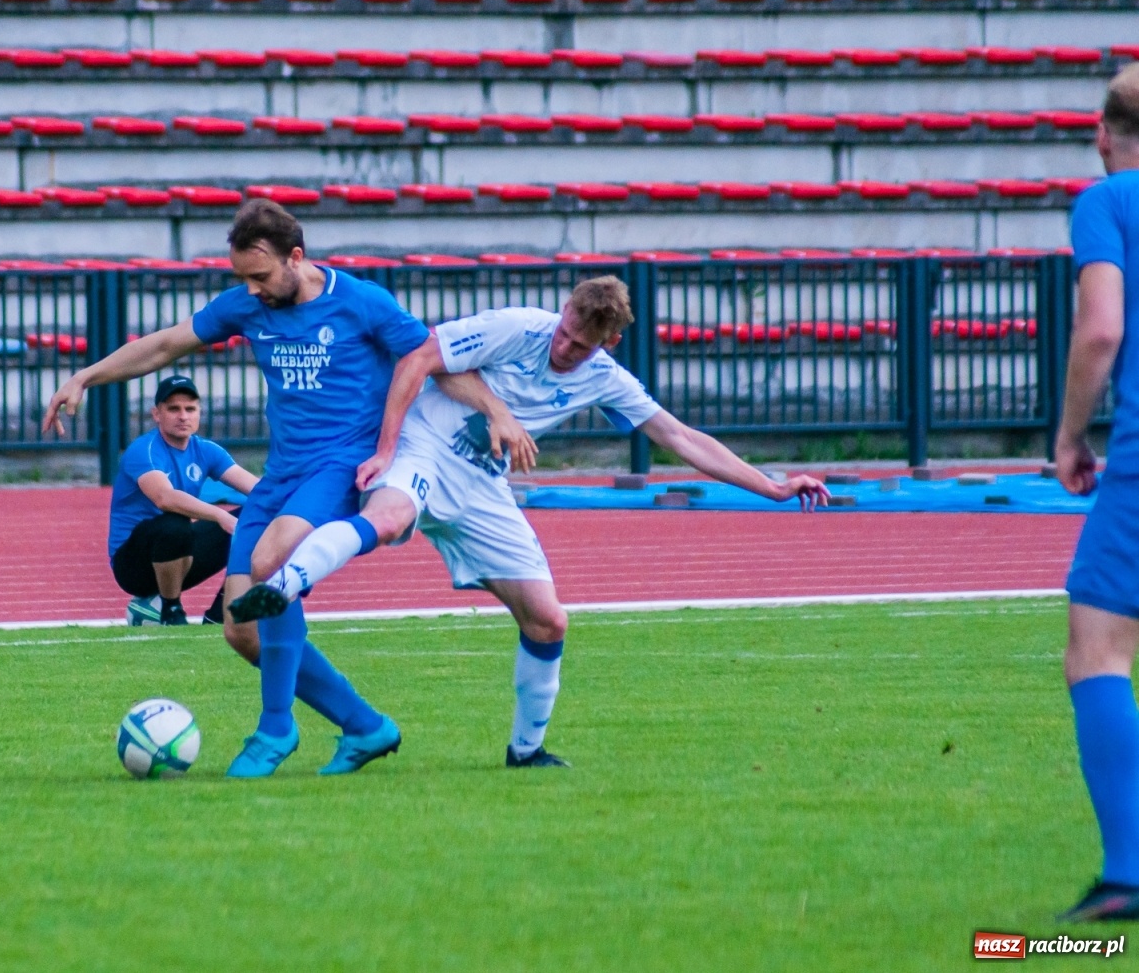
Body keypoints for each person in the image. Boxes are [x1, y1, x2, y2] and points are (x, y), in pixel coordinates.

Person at [232, 276, 830, 767]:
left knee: (548, 621)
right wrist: (387, 450)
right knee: (388, 518)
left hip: (483, 485)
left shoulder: (605, 378)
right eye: (566, 329)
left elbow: (677, 436)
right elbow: (419, 357)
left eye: (580, 344)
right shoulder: (517, 327)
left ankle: (526, 751)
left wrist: (773, 487)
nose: (564, 346)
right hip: (424, 447)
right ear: (564, 308)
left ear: (610, 341)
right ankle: (285, 583)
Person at [46, 199, 457, 778]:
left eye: (260, 275)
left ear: (296, 257)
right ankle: (366, 726)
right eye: (242, 277)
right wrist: (85, 375)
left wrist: (494, 414)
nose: (252, 289)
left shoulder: (362, 302)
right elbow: (166, 344)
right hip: (281, 472)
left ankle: (275, 729)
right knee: (241, 630)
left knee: (272, 561)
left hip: (339, 467)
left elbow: (435, 357)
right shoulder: (247, 305)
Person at [1054, 62, 1139, 922]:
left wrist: (1072, 436)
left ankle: (1128, 875)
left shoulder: (1108, 201)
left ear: (1102, 134)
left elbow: (1103, 328)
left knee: (1100, 649)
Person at [108, 374, 259, 626]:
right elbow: (164, 498)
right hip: (133, 565)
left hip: (179, 554)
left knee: (259, 515)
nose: (183, 416)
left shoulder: (206, 450)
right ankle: (171, 610)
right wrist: (220, 515)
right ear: (157, 414)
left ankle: (221, 613)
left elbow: (260, 491)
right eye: (173, 409)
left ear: (199, 413)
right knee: (174, 523)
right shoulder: (143, 449)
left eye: (190, 409)